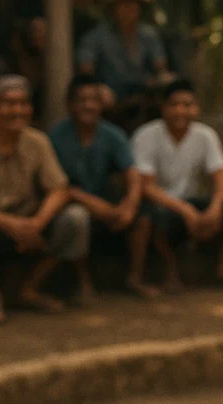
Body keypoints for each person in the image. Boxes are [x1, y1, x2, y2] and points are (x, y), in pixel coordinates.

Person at [0, 75, 90, 322]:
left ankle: (28, 288)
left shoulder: (38, 141)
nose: (17, 110)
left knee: (76, 219)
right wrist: (11, 225)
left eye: (23, 103)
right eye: (8, 103)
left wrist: (37, 223)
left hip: (29, 225)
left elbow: (60, 188)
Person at [48, 73, 150, 300]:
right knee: (77, 218)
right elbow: (60, 187)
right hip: (70, 201)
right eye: (82, 100)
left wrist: (130, 205)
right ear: (69, 104)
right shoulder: (56, 136)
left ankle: (135, 277)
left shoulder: (113, 135)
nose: (88, 105)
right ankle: (83, 281)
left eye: (94, 99)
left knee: (143, 213)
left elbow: (132, 174)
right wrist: (96, 205)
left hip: (106, 199)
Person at [130, 79, 223, 293]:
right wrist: (185, 210)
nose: (180, 111)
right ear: (164, 108)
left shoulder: (205, 135)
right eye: (174, 104)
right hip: (161, 203)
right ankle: (160, 273)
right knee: (151, 215)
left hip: (192, 200)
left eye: (187, 104)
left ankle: (221, 270)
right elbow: (146, 187)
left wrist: (215, 207)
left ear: (196, 108)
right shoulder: (146, 135)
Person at [75, 0, 170, 129]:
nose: (129, 10)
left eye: (134, 5)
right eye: (124, 5)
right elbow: (85, 69)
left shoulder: (148, 35)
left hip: (143, 101)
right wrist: (98, 88)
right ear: (113, 8)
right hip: (110, 102)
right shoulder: (97, 36)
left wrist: (160, 80)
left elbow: (160, 67)